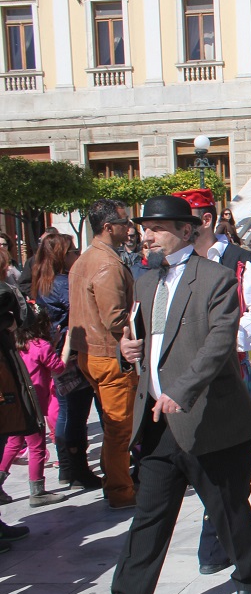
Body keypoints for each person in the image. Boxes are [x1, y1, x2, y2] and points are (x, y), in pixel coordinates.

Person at [72, 195, 251, 594]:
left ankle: (250, 579)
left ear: (185, 230)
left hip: (208, 418)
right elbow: (144, 342)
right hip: (158, 422)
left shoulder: (216, 279)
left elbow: (219, 344)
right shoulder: (145, 283)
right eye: (145, 228)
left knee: (227, 510)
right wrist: (127, 351)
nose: (147, 235)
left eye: (157, 227)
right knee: (149, 516)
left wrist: (181, 391)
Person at [178, 187, 251, 562]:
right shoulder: (177, 264)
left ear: (205, 220)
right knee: (199, 458)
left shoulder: (239, 260)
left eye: (184, 223)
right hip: (185, 376)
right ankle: (222, 534)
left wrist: (225, 338)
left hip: (231, 372)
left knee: (234, 460)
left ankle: (219, 539)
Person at [69, 198, 138, 509]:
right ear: (108, 227)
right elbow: (114, 319)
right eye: (124, 222)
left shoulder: (86, 258)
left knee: (113, 426)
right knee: (119, 429)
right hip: (109, 356)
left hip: (92, 354)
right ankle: (120, 491)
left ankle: (115, 482)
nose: (129, 227)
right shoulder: (107, 264)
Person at [31, 234, 103, 490]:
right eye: (73, 251)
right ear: (62, 256)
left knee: (67, 411)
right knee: (75, 412)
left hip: (60, 350)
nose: (77, 254)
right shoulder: (62, 283)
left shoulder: (44, 280)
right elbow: (82, 307)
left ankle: (67, 468)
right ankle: (78, 470)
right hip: (70, 353)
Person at [0, 307, 66, 506]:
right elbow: (58, 368)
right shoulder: (41, 345)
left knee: (13, 444)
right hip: (34, 406)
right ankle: (37, 492)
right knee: (37, 447)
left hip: (19, 405)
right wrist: (65, 345)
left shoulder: (15, 346)